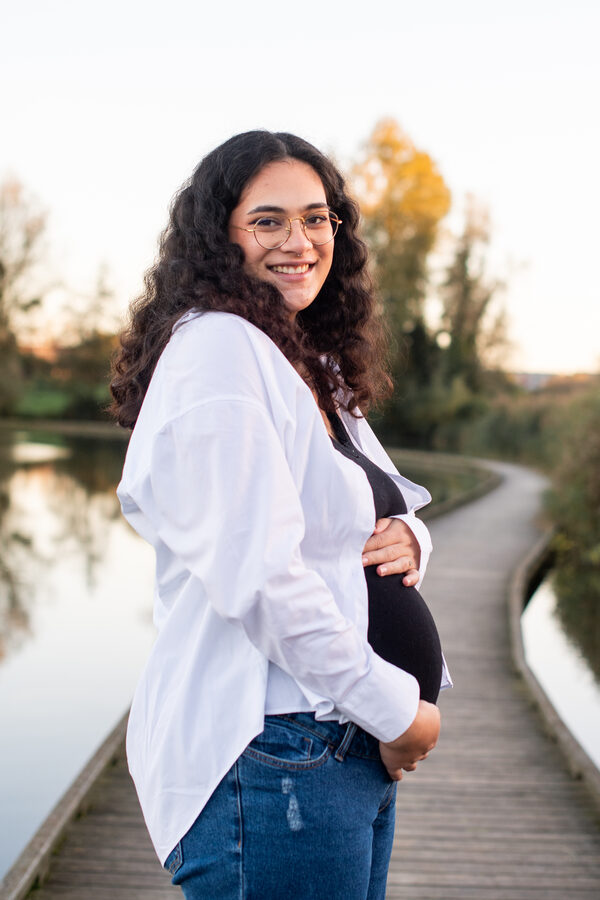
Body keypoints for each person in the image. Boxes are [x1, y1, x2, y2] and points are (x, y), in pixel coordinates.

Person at [111, 130, 451, 900]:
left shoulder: (302, 358)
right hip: (274, 753)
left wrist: (415, 537)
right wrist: (401, 713)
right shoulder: (221, 353)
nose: (299, 241)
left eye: (317, 218)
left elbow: (374, 505)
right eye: (268, 220)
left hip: (331, 746)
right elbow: (261, 579)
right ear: (217, 237)